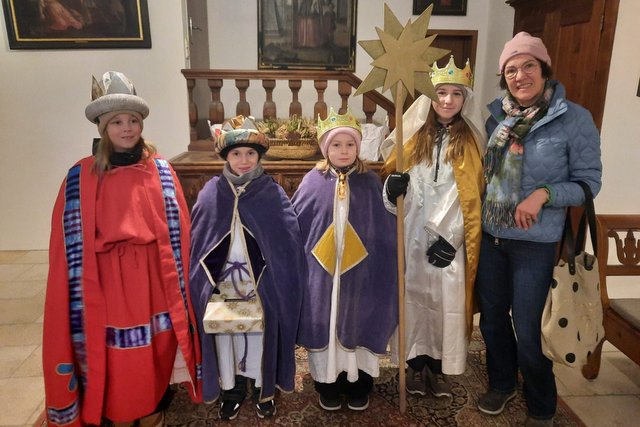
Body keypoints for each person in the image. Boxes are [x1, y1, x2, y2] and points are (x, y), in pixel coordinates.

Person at [43, 71, 202, 426]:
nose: (127, 128)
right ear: (103, 127)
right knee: (117, 353)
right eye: (117, 122)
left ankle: (152, 406)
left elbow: (179, 230)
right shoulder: (80, 176)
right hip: (107, 283)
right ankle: (119, 410)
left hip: (153, 277)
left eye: (133, 120)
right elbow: (67, 245)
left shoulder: (161, 170)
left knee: (156, 346)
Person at [475, 32, 602, 427]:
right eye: (511, 70)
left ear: (544, 69)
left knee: (529, 329)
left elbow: (588, 183)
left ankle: (541, 403)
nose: (520, 76)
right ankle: (502, 383)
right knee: (492, 319)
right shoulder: (497, 117)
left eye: (528, 66)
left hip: (535, 243)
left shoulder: (573, 118)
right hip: (492, 236)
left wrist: (543, 194)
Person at [380, 56, 486, 398]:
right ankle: (413, 365)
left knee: (445, 304)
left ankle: (440, 369)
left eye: (457, 93)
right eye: (441, 92)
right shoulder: (412, 138)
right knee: (413, 301)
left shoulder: (471, 143)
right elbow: (394, 185)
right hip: (412, 237)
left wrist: (451, 238)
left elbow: (471, 196)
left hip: (449, 244)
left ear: (465, 99)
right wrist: (392, 190)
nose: (448, 100)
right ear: (430, 96)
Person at [189, 115, 305, 420]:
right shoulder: (211, 192)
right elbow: (199, 241)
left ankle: (262, 387)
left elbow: (287, 245)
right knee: (226, 337)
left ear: (259, 155)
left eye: (250, 153)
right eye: (236, 153)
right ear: (226, 156)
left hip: (262, 285)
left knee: (260, 335)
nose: (244, 160)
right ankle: (232, 388)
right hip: (222, 284)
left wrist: (277, 278)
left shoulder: (272, 193)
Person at [292, 108, 398, 412]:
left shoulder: (370, 182)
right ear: (325, 148)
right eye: (336, 145)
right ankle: (327, 384)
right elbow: (297, 223)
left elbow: (385, 227)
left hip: (361, 275)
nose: (343, 150)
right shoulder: (312, 181)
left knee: (359, 321)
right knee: (324, 322)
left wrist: (393, 199)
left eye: (350, 144)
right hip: (322, 274)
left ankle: (358, 384)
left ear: (358, 147)